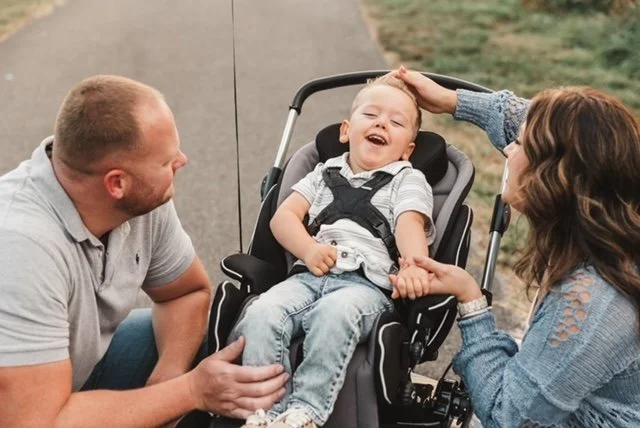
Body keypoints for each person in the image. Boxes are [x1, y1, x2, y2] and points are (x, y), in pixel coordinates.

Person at [0, 75, 289, 427]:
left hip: (75, 371)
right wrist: (190, 391)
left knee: (227, 339)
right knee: (205, 381)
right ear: (117, 183)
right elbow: (35, 422)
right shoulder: (21, 247)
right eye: (167, 162)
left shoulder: (139, 201)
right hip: (27, 410)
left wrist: (167, 381)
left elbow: (187, 293)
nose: (182, 161)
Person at [393, 66, 640, 427]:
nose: (509, 150)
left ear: (554, 179)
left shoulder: (589, 302)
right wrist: (452, 101)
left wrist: (471, 301)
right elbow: (531, 122)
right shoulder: (611, 213)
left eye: (522, 145)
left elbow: (507, 416)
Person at [231, 75, 436, 428]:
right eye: (371, 114)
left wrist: (414, 265)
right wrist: (308, 249)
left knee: (335, 314)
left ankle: (306, 411)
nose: (381, 123)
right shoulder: (323, 172)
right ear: (346, 131)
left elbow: (408, 225)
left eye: (396, 122)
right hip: (310, 274)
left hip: (365, 286)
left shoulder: (406, 178)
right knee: (263, 312)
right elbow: (284, 219)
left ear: (408, 150)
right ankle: (264, 413)